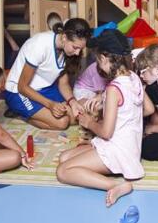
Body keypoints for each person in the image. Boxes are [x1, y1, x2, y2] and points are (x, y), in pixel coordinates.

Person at [56, 30, 144, 207]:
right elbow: (147, 109)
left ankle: (116, 185)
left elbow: (106, 132)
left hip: (117, 151)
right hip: (129, 146)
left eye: (97, 60)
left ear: (104, 58)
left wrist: (89, 122)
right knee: (64, 157)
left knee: (63, 171)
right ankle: (101, 170)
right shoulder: (134, 77)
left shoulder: (113, 89)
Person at [3, 18, 92, 130]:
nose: (78, 53)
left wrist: (73, 102)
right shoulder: (40, 45)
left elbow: (63, 84)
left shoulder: (67, 50)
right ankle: (21, 114)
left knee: (75, 117)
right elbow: (22, 87)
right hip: (18, 91)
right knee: (62, 122)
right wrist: (50, 104)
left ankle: (35, 112)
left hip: (44, 88)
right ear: (64, 37)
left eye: (81, 49)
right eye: (75, 47)